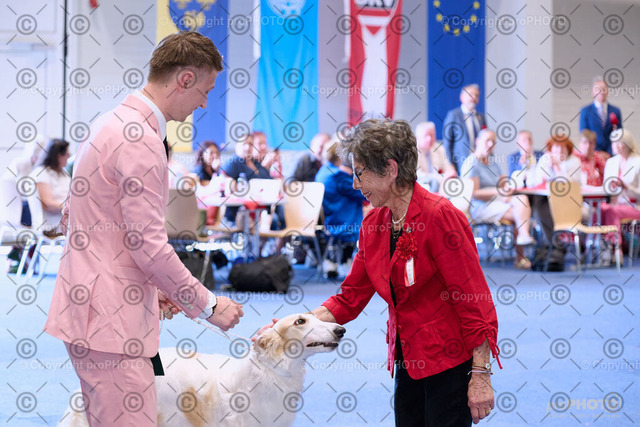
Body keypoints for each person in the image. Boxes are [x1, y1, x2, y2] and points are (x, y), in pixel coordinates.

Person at [43, 31, 244, 425]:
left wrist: (150, 286)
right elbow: (148, 246)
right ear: (184, 79)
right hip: (112, 322)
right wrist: (209, 305)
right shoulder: (142, 140)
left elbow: (73, 217)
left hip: (91, 308)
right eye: (205, 91)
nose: (204, 103)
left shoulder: (108, 122)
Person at [298, 119, 499, 426]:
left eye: (360, 172)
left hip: (449, 361)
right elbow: (349, 298)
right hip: (408, 360)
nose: (355, 184)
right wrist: (295, 324)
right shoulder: (374, 223)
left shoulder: (440, 216)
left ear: (390, 169)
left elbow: (474, 302)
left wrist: (481, 375)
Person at [461, 129, 536, 269]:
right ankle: (520, 255)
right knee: (520, 214)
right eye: (487, 141)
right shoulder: (472, 163)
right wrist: (499, 192)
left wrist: (507, 190)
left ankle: (523, 237)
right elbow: (474, 193)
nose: (490, 145)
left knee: (522, 199)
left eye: (493, 142)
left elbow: (504, 183)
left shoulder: (492, 163)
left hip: (498, 202)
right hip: (480, 207)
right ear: (478, 141)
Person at [315, 139, 367, 277]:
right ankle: (346, 260)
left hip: (329, 217)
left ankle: (334, 261)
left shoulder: (323, 171)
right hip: (341, 220)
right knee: (359, 207)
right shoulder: (339, 176)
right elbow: (362, 193)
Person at [601, 129, 640, 258]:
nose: (616, 146)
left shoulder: (637, 162)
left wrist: (626, 187)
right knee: (601, 209)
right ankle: (607, 247)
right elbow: (606, 188)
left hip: (634, 206)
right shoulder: (611, 162)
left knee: (611, 211)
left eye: (619, 142)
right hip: (614, 205)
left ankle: (614, 248)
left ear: (628, 143)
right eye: (614, 142)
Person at [443, 84, 487, 174]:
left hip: (479, 165)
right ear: (462, 97)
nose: (474, 97)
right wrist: (450, 165)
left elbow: (486, 140)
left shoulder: (481, 118)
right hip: (460, 165)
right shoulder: (453, 115)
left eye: (477, 95)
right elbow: (447, 143)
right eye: (471, 94)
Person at [31, 138, 72, 231]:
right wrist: (71, 208)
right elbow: (48, 204)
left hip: (65, 220)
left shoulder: (63, 173)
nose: (68, 157)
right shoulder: (41, 173)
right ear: (58, 155)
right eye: (67, 154)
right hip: (52, 225)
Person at [579, 77, 622, 157]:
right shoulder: (586, 111)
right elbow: (584, 134)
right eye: (597, 89)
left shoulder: (616, 111)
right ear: (592, 92)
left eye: (604, 89)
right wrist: (598, 153)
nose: (601, 92)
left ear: (608, 91)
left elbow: (619, 134)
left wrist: (609, 153)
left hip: (611, 155)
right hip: (592, 154)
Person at [415, 121, 456, 192]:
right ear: (417, 138)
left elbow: (449, 169)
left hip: (438, 187)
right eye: (426, 136)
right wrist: (441, 177)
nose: (429, 139)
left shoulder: (439, 148)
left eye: (432, 135)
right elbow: (418, 175)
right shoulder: (412, 151)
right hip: (420, 188)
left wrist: (450, 172)